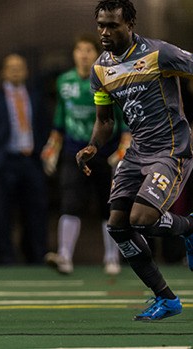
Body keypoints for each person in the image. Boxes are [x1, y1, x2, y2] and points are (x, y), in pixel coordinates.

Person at [76, 0, 193, 320]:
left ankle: (192, 226)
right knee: (118, 227)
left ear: (131, 24)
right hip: (137, 153)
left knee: (141, 219)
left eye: (112, 25)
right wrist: (93, 146)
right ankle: (166, 299)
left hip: (170, 150)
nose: (105, 32)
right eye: (101, 25)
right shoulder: (100, 69)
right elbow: (105, 120)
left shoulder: (159, 53)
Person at [42, 34, 129, 275]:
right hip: (74, 152)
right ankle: (65, 257)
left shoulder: (108, 79)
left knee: (108, 206)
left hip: (106, 151)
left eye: (88, 50)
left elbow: (122, 118)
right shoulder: (63, 81)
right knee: (70, 202)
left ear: (97, 54)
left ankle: (112, 258)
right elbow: (61, 116)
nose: (83, 54)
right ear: (73, 54)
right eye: (79, 50)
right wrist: (52, 146)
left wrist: (123, 147)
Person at [0, 53, 49, 264]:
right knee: (2, 212)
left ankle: (37, 255)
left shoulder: (36, 96)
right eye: (11, 67)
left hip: (31, 161)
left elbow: (45, 126)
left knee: (36, 210)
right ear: (2, 71)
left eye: (20, 66)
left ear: (27, 70)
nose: (16, 70)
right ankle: (4, 256)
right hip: (5, 161)